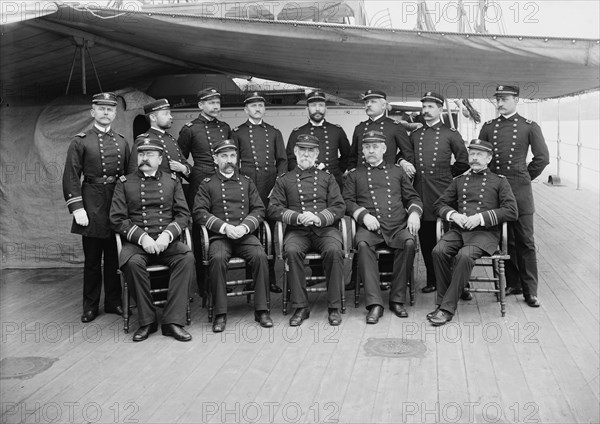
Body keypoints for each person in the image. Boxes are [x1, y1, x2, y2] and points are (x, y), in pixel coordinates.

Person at [110, 138, 194, 342]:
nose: (144, 158)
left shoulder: (172, 181)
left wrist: (167, 235)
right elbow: (117, 219)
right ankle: (147, 321)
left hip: (167, 241)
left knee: (186, 258)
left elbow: (183, 215)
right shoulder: (124, 182)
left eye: (149, 155)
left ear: (160, 158)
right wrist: (143, 237)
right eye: (141, 154)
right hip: (137, 244)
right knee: (131, 263)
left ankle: (172, 321)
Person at [429, 139, 518, 326]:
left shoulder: (499, 181)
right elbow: (439, 205)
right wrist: (453, 215)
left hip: (485, 234)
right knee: (438, 251)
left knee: (464, 255)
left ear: (489, 158)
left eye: (479, 154)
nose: (474, 158)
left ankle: (445, 308)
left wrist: (481, 218)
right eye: (472, 154)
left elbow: (511, 210)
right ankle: (450, 295)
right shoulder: (459, 181)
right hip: (459, 231)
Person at [478, 85, 549, 307]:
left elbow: (542, 158)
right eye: (497, 99)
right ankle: (511, 282)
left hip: (520, 191)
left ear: (516, 100)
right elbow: (481, 156)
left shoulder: (529, 126)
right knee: (500, 238)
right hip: (496, 191)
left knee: (525, 240)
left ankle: (530, 291)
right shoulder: (488, 127)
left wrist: (524, 176)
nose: (500, 103)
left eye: (505, 99)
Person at [62, 92, 130, 323]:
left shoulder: (121, 141)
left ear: (114, 113)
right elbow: (71, 176)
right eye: (101, 109)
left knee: (114, 259)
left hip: (116, 205)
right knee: (92, 261)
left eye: (109, 109)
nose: (105, 112)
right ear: (93, 112)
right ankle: (90, 306)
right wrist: (77, 207)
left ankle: (113, 302)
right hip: (91, 205)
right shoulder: (80, 141)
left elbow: (129, 178)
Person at [193, 139, 273, 333]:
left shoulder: (246, 182)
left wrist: (245, 227)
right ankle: (220, 312)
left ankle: (262, 309)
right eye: (223, 156)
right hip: (220, 237)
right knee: (218, 258)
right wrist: (224, 228)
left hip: (245, 235)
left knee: (260, 256)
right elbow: (199, 212)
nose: (229, 160)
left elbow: (259, 209)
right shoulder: (207, 184)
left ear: (236, 158)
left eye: (232, 156)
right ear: (215, 159)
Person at [344, 130, 423, 323]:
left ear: (384, 149)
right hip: (370, 227)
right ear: (362, 150)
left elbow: (412, 197)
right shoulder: (355, 175)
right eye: (367, 147)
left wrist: (414, 213)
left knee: (409, 243)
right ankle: (374, 304)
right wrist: (363, 215)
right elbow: (346, 201)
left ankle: (397, 300)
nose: (371, 151)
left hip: (397, 225)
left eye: (375, 147)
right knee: (362, 245)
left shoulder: (397, 171)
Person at [268, 134, 346, 327]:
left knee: (334, 251)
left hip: (325, 230)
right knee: (292, 252)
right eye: (302, 150)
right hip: (297, 231)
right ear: (295, 152)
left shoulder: (327, 178)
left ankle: (334, 306)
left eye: (310, 150)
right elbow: (273, 208)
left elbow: (339, 207)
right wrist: (297, 217)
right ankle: (301, 306)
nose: (306, 154)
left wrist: (318, 217)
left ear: (317, 153)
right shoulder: (284, 180)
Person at [407, 92, 469, 294]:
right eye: (423, 107)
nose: (425, 111)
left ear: (440, 109)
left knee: (449, 238)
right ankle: (433, 280)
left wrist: (447, 176)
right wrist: (402, 162)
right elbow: (404, 155)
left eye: (430, 107)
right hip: (422, 192)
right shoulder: (415, 135)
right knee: (426, 239)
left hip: (444, 193)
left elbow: (463, 161)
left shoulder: (450, 133)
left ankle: (459, 282)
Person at [177, 87, 232, 298]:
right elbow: (180, 158)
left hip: (223, 184)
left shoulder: (225, 128)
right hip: (200, 184)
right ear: (201, 105)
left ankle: (221, 281)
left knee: (223, 229)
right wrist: (189, 172)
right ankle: (203, 283)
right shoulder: (190, 129)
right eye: (210, 102)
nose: (215, 106)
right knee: (201, 233)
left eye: (217, 102)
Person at [232, 92, 287, 293]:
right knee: (250, 232)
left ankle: (271, 279)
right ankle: (252, 279)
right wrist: (240, 187)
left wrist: (278, 185)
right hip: (248, 186)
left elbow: (282, 161)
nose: (257, 109)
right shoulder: (237, 132)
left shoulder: (274, 132)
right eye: (253, 106)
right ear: (246, 110)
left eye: (260, 106)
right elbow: (233, 163)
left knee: (271, 233)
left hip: (270, 187)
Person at [286, 90, 351, 189]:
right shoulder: (297, 133)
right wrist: (304, 174)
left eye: (321, 105)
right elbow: (290, 160)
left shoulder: (337, 130)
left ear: (326, 109)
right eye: (313, 105)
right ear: (306, 109)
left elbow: (347, 155)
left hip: (334, 182)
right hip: (305, 183)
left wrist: (337, 171)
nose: (317, 109)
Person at [348, 89, 412, 172]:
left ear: (383, 105)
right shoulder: (359, 128)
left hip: (387, 177)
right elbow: (352, 157)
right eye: (366, 102)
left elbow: (407, 154)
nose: (368, 105)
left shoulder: (395, 126)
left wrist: (401, 163)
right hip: (362, 177)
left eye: (373, 102)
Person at [127, 98, 190, 180]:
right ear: (153, 117)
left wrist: (183, 169)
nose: (170, 117)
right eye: (166, 114)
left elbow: (186, 165)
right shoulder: (143, 140)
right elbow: (133, 172)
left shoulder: (172, 140)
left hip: (176, 190)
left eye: (170, 114)